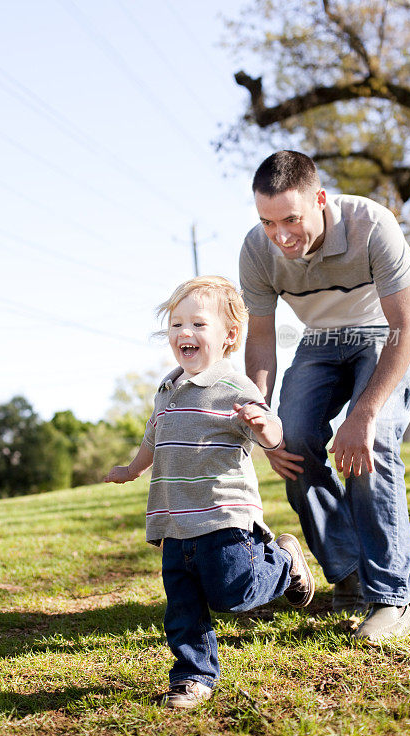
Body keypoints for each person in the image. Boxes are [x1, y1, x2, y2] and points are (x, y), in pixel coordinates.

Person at [239, 150, 410, 644]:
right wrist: (260, 410)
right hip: (319, 340)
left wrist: (364, 413)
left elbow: (407, 326)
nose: (280, 235)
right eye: (268, 221)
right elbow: (260, 340)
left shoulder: (371, 223)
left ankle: (393, 599)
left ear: (319, 200)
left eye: (291, 219)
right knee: (292, 443)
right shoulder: (257, 249)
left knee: (373, 443)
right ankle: (349, 573)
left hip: (383, 334)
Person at [104, 275, 314, 709]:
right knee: (183, 609)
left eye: (198, 324)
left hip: (223, 515)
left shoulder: (235, 388)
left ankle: (285, 562)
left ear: (229, 336)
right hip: (173, 520)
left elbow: (273, 433)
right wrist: (131, 469)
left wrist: (265, 429)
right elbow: (153, 438)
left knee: (233, 594)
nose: (185, 333)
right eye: (176, 324)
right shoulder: (166, 388)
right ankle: (192, 677)